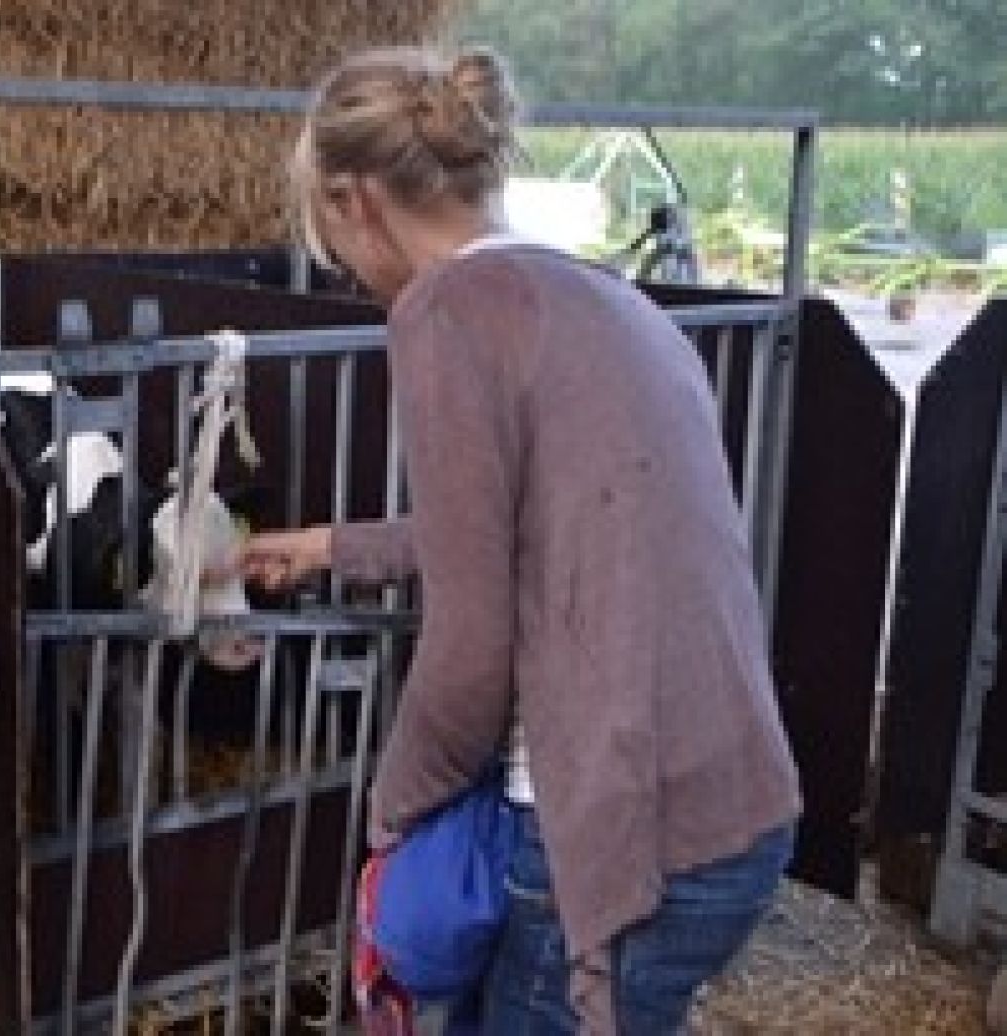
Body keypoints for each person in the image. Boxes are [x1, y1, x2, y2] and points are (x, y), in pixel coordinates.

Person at [239, 45, 801, 1034]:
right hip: (736, 814)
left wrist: (391, 820)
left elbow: (469, 645)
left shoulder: (445, 314)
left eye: (329, 235)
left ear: (356, 199)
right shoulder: (607, 300)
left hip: (616, 842)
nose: (343, 268)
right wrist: (335, 544)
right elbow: (548, 530)